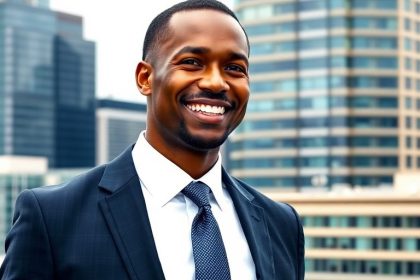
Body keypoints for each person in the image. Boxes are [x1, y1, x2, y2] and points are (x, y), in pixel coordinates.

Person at [0, 0, 305, 279]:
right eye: (192, 62)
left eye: (235, 68)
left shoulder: (282, 224)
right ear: (145, 78)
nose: (216, 82)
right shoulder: (52, 217)